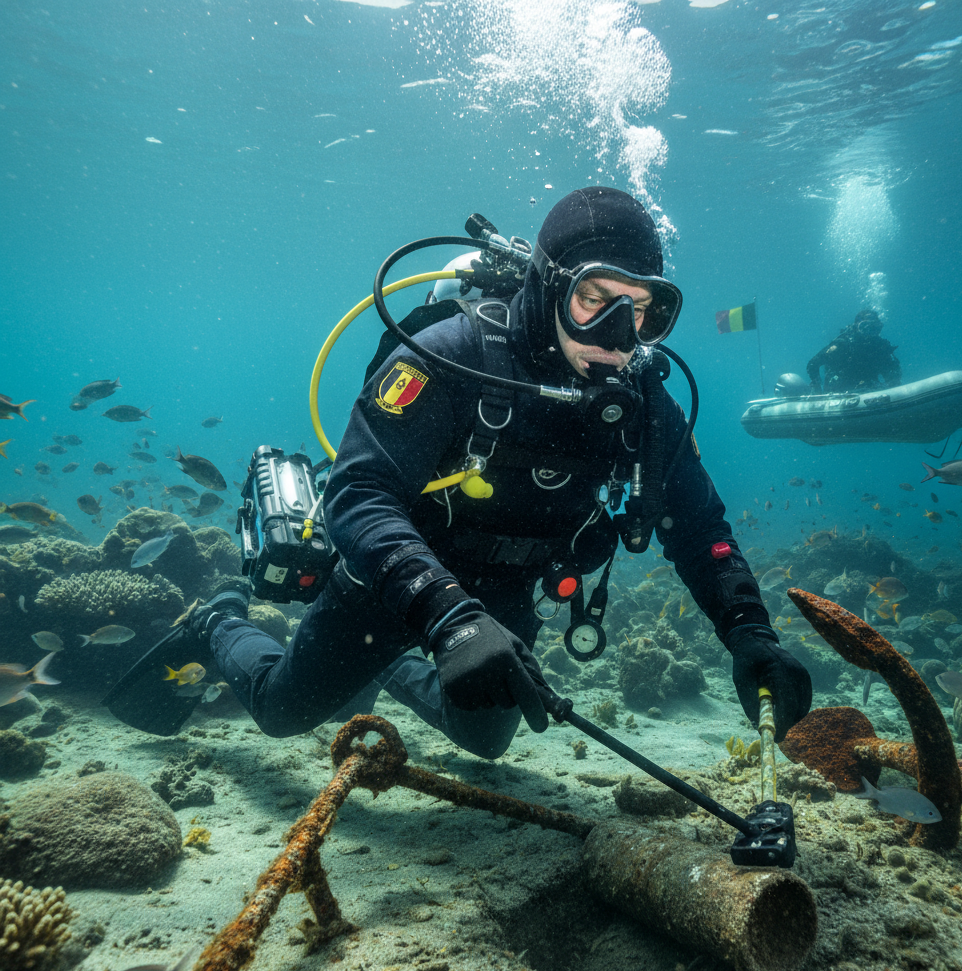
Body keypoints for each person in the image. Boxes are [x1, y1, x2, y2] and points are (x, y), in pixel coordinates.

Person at [109, 187, 811, 755]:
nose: (617, 339)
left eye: (642, 311)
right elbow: (357, 492)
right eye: (595, 301)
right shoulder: (449, 356)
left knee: (486, 742)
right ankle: (220, 619)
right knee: (280, 711)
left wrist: (751, 634)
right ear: (550, 284)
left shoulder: (645, 406)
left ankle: (389, 664)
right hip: (390, 580)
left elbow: (698, 528)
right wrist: (445, 615)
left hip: (504, 593)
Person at [805, 309, 901, 393]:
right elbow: (813, 364)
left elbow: (891, 375)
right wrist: (817, 389)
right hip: (839, 392)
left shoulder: (881, 349)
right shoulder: (843, 345)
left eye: (875, 328)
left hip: (870, 391)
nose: (870, 332)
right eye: (865, 327)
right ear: (856, 327)